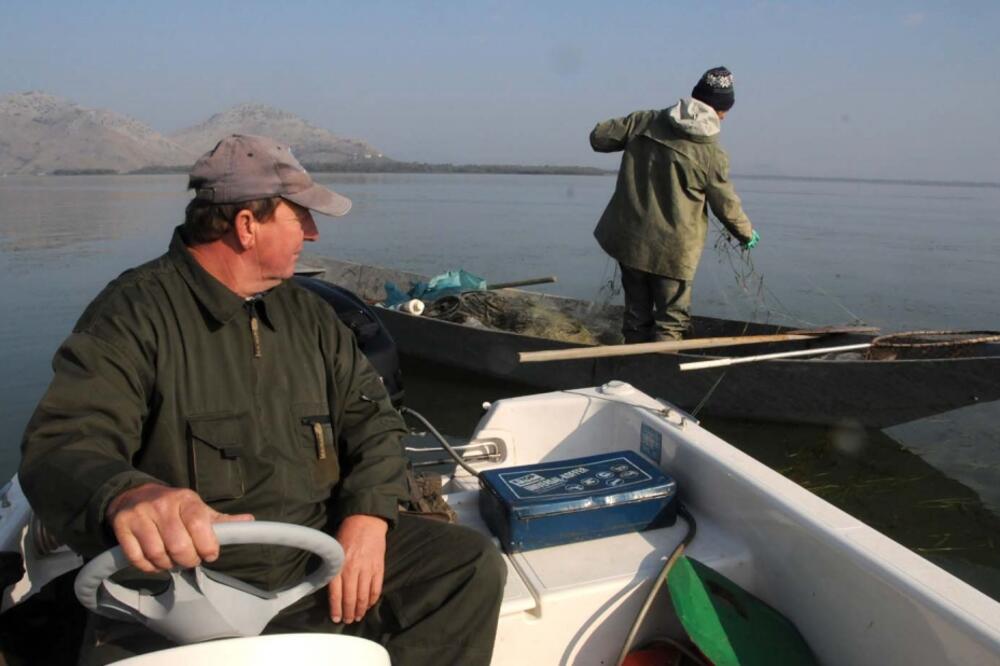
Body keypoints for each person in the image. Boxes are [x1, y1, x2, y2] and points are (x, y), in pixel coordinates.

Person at [18, 134, 506, 665]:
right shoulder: (134, 314)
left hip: (315, 563)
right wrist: (128, 495)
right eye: (301, 218)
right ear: (248, 225)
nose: (314, 234)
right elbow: (61, 444)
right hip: (185, 593)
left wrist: (368, 517)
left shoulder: (312, 317)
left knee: (468, 565)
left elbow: (375, 423)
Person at [591, 66, 759, 343]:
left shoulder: (645, 121)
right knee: (671, 322)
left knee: (636, 316)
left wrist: (635, 123)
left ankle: (632, 372)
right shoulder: (712, 153)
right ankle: (662, 377)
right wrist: (746, 233)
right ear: (721, 111)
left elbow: (598, 137)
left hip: (631, 241)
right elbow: (725, 202)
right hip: (674, 251)